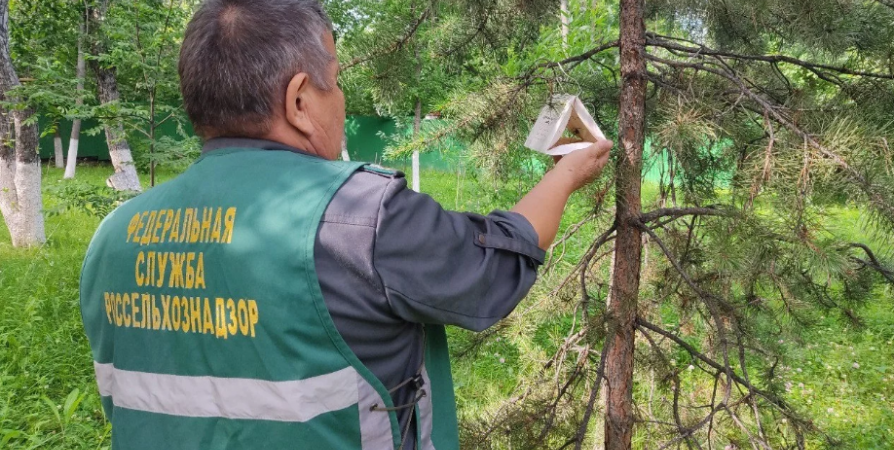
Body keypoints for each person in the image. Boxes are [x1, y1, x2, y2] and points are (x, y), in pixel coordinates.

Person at [78, 0, 613, 449]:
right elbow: (495, 264)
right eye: (334, 82)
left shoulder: (113, 237)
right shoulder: (360, 219)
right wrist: (565, 177)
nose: (341, 99)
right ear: (299, 101)